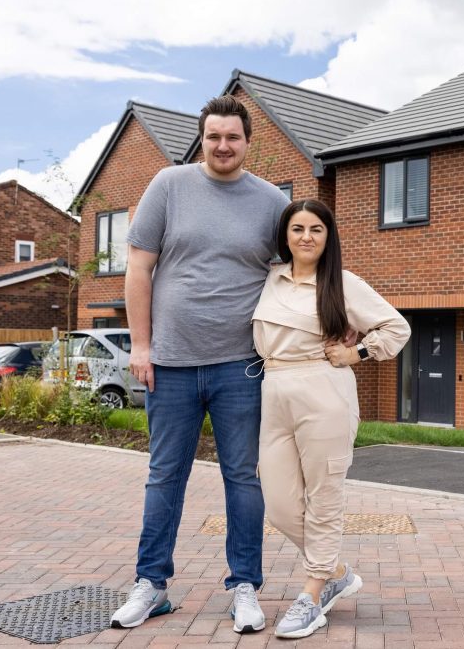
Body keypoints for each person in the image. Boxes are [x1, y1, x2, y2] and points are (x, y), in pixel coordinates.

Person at [110, 95, 289, 633]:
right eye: (213, 136)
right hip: (171, 363)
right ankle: (151, 585)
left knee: (244, 479)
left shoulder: (271, 203)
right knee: (165, 475)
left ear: (248, 142)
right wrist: (141, 346)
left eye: (233, 137)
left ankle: (244, 587)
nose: (223, 146)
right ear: (202, 138)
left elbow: (291, 279)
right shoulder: (168, 185)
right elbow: (138, 269)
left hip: (242, 365)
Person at [252, 198, 409, 638]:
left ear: (328, 236)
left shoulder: (342, 283)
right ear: (285, 234)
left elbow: (396, 328)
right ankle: (337, 571)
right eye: (298, 228)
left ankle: (313, 593)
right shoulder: (270, 280)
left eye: (316, 229)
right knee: (281, 505)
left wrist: (355, 352)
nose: (306, 237)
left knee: (323, 496)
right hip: (274, 388)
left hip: (324, 390)